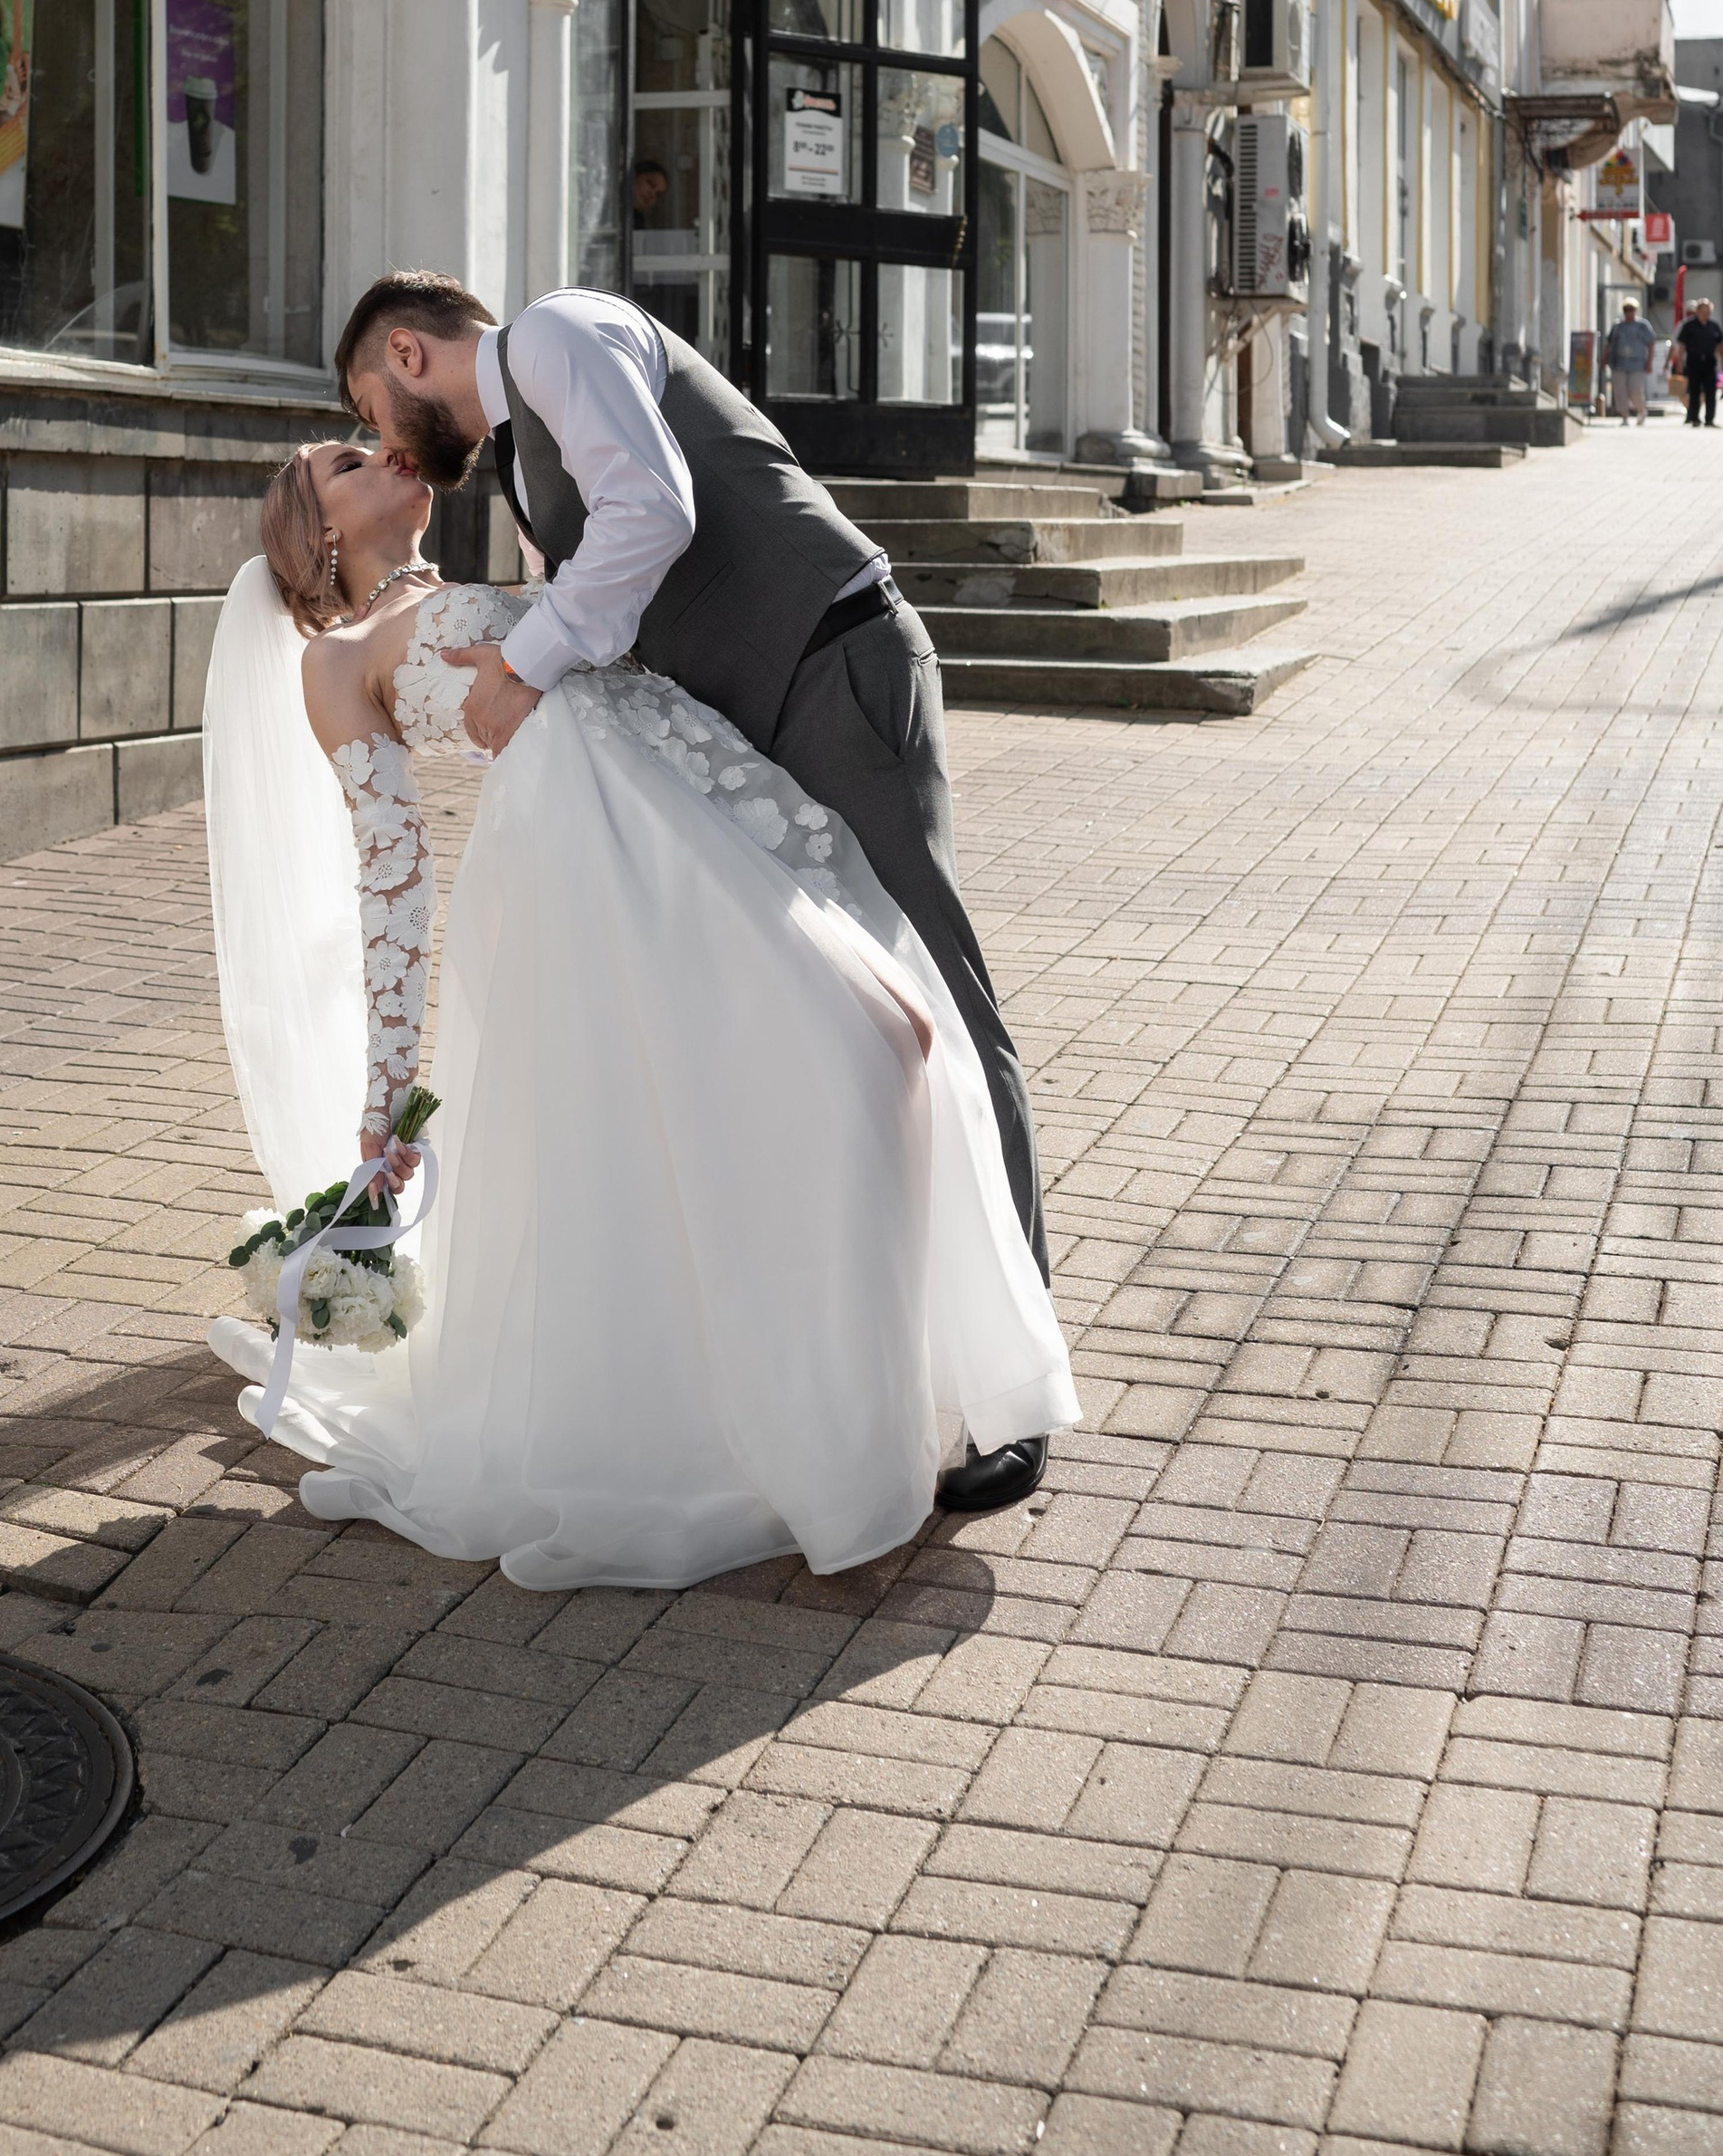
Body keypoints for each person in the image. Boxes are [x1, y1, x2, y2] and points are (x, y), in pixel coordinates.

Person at [198, 428, 1077, 1592]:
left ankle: (882, 1395)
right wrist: (389, 1091)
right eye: (347, 462)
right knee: (851, 1052)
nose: (386, 455)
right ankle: (795, 1426)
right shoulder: (337, 661)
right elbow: (391, 873)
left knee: (889, 1036)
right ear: (314, 528)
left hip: (699, 787)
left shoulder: (481, 571)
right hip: (593, 851)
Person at [337, 272, 1055, 1514]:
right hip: (747, 725)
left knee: (934, 996)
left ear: (409, 354)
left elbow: (653, 511)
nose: (393, 447)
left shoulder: (561, 335)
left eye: (376, 410)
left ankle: (1014, 1397)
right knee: (824, 1032)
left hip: (835, 670)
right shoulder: (516, 461)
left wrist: (517, 667)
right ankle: (845, 1372)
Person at [1605, 303, 1657, 423]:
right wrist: (1605, 360)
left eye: (1631, 310)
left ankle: (1641, 410)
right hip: (1619, 363)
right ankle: (1624, 416)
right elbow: (1609, 344)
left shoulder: (1642, 325)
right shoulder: (1618, 326)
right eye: (1626, 310)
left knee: (1635, 389)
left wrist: (1649, 363)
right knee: (1620, 390)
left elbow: (1651, 344)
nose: (1629, 312)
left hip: (1637, 364)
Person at [1679, 298, 1722, 428]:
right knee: (1694, 391)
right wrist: (1680, 362)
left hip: (1709, 362)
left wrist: (1719, 358)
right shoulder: (1688, 326)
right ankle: (1694, 418)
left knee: (1711, 391)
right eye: (1703, 311)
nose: (1705, 314)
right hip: (1694, 361)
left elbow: (1720, 343)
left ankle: (1710, 419)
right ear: (1697, 312)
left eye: (1708, 312)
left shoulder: (1714, 325)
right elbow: (1682, 345)